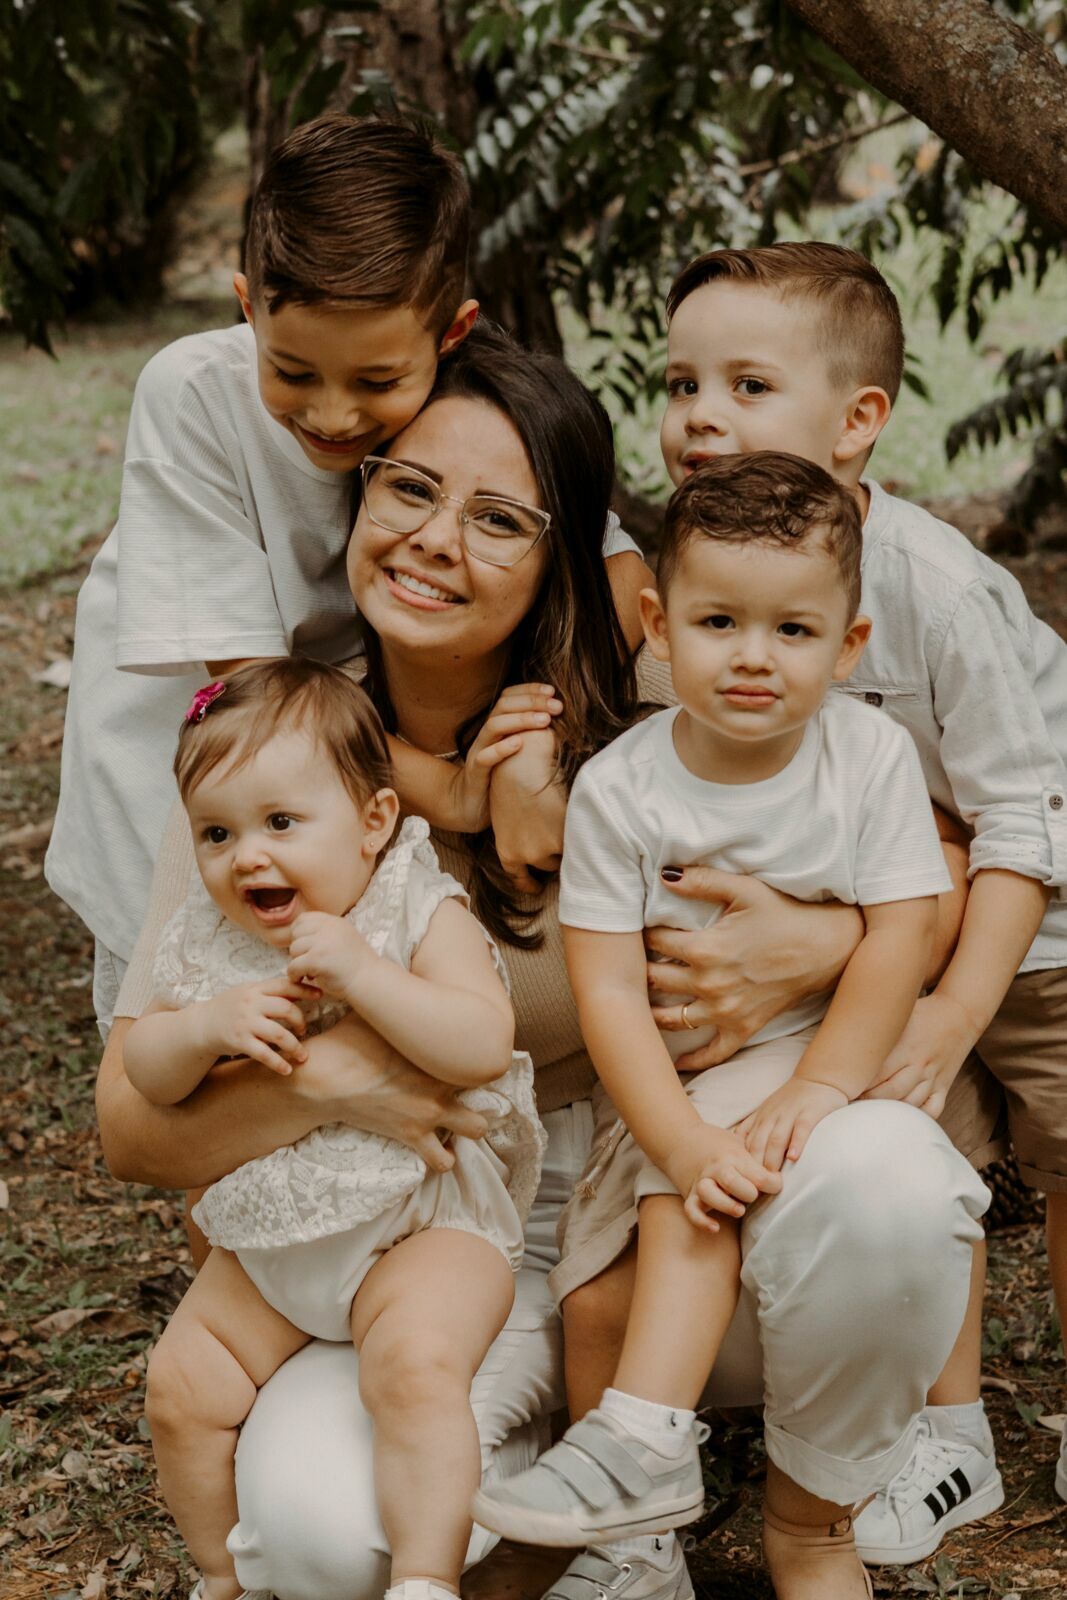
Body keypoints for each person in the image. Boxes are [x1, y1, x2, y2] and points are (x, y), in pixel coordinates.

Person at [96, 326, 996, 1600]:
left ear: (563, 555)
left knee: (887, 1183)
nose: (431, 539)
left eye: (499, 520)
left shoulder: (667, 686)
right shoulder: (273, 753)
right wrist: (341, 1088)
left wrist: (828, 936)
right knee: (319, 1544)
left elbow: (931, 853)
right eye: (408, 487)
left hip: (670, 1210)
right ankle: (563, 1485)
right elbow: (128, 1128)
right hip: (405, 1230)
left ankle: (810, 1504)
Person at [471, 453, 978, 1600]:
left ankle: (691, 1452)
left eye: (793, 630)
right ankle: (634, 1504)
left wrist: (821, 1085)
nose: (753, 655)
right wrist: (682, 1138)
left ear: (847, 647)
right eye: (717, 620)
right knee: (640, 1238)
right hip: (675, 1069)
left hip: (830, 1052)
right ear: (657, 626)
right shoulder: (624, 787)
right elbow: (605, 991)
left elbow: (899, 933)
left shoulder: (868, 758)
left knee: (770, 1188)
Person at [45, 113, 648, 1036]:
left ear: (451, 333)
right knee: (195, 1064)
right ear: (247, 305)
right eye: (292, 371)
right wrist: (456, 793)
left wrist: (535, 748)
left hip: (342, 792)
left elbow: (607, 565)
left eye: (375, 383)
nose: (332, 415)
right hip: (187, 791)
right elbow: (252, 690)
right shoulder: (195, 397)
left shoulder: (459, 390)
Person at [656, 240, 1067, 1560]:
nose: (697, 413)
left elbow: (1020, 820)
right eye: (677, 382)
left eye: (744, 383)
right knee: (904, 1122)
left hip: (1039, 910)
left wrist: (955, 1008)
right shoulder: (689, 574)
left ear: (856, 425)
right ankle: (943, 1439)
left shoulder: (927, 583)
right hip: (885, 911)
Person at [129, 658, 546, 1600]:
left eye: (281, 823)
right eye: (217, 832)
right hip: (273, 1249)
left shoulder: (409, 905)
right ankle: (219, 1579)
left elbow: (481, 1042)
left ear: (372, 823)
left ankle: (423, 1578)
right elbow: (147, 1077)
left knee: (413, 1370)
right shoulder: (208, 938)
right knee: (181, 1388)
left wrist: (364, 975)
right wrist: (200, 1028)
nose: (248, 857)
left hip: (421, 1230)